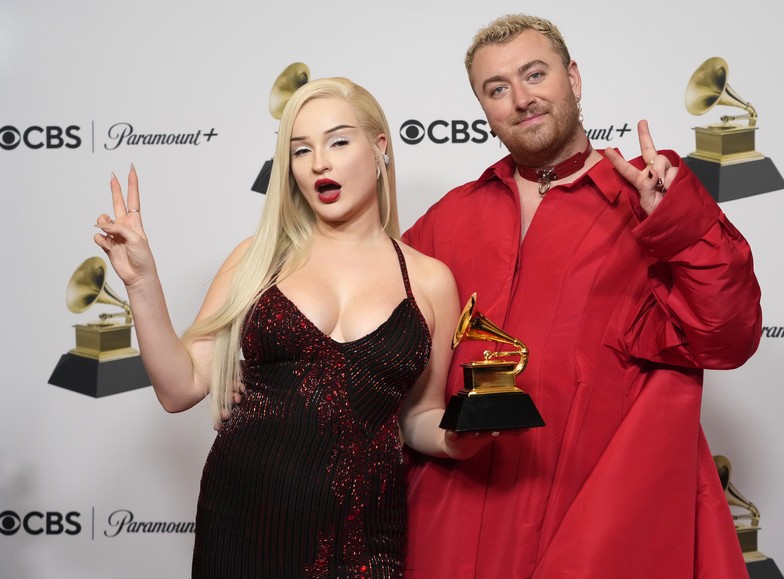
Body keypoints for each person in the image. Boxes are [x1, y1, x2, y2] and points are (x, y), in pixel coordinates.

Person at [401, 14, 763, 579]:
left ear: (573, 77)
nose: (522, 98)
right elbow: (376, 345)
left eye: (535, 74)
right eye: (497, 89)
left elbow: (728, 337)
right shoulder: (448, 218)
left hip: (600, 511)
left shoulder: (651, 194)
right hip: (460, 517)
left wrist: (676, 223)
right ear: (483, 107)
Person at [93, 77, 491, 578]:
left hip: (364, 533)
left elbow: (419, 415)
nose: (319, 162)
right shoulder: (258, 258)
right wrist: (142, 283)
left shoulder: (430, 281)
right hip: (245, 519)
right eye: (301, 150)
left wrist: (461, 438)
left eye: (338, 141)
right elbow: (180, 388)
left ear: (380, 146)